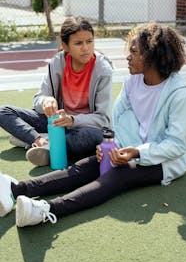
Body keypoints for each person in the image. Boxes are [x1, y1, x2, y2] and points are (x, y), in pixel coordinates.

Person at [0, 21, 186, 227]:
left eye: (134, 51)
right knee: (87, 165)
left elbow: (176, 145)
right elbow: (117, 122)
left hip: (166, 161)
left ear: (152, 55)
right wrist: (109, 147)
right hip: (129, 149)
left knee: (118, 175)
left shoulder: (180, 94)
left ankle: (48, 210)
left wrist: (136, 153)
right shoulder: (132, 83)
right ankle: (17, 189)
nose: (127, 56)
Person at [0, 17, 113, 166]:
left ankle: (37, 142)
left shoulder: (103, 70)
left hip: (82, 127)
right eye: (78, 43)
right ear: (65, 46)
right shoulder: (57, 63)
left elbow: (103, 119)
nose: (85, 48)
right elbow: (38, 99)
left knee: (88, 138)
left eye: (89, 41)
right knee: (4, 112)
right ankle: (39, 140)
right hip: (56, 122)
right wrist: (46, 100)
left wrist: (73, 120)